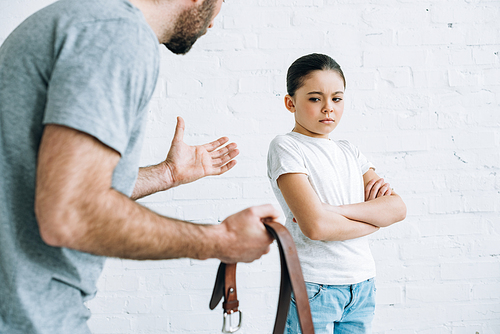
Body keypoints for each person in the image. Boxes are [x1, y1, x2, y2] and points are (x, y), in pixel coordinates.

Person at [0, 0, 279, 333]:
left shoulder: (85, 20)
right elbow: (71, 213)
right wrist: (221, 240)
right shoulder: (119, 34)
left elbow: (47, 188)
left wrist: (167, 174)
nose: (213, 22)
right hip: (30, 316)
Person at [267, 53, 407, 334]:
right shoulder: (287, 147)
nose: (328, 108)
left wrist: (332, 210)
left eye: (337, 98)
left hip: (363, 285)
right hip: (315, 285)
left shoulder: (349, 151)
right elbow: (316, 227)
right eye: (315, 98)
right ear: (290, 103)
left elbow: (397, 209)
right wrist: (372, 221)